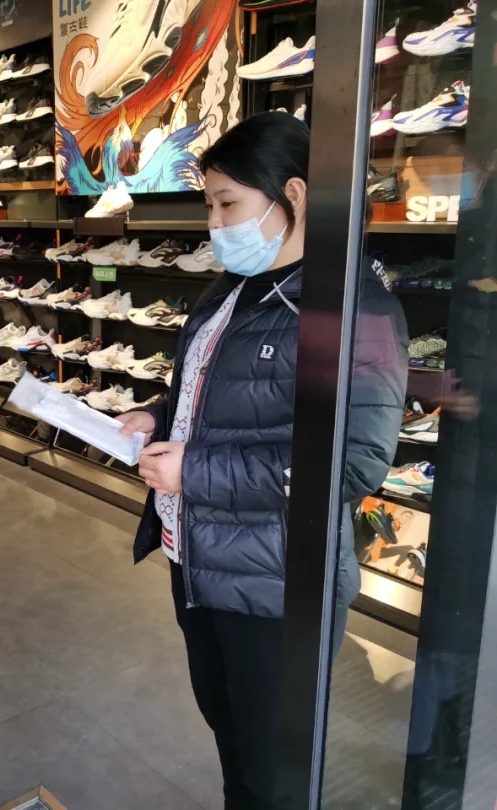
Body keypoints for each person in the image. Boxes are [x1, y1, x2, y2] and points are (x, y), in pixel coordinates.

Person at [116, 111, 408, 809]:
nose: (215, 225)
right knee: (234, 742)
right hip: (200, 560)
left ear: (294, 195)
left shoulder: (353, 309)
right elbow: (208, 391)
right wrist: (156, 415)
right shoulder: (232, 287)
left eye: (228, 204)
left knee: (274, 768)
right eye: (209, 207)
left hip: (278, 582)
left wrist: (193, 472)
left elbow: (351, 463)